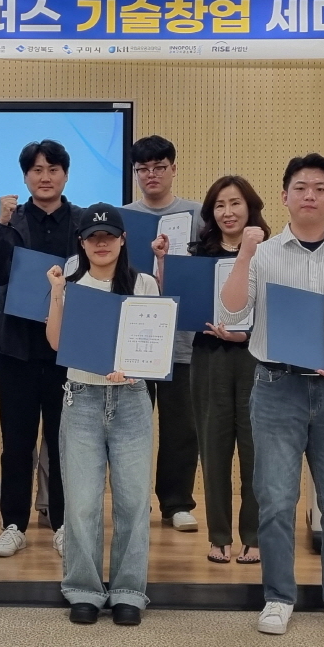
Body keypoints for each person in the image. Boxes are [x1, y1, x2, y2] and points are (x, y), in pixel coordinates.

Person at [219, 153, 324, 639]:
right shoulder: (262, 254)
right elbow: (231, 312)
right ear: (285, 196)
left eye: (320, 188)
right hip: (277, 387)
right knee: (274, 499)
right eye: (301, 188)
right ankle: (278, 596)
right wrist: (245, 253)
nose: (310, 195)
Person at [46, 203, 158, 626]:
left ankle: (129, 590)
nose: (102, 243)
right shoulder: (72, 284)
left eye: (109, 236)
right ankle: (84, 590)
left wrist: (134, 365)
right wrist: (57, 292)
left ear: (123, 240)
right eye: (93, 237)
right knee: (81, 503)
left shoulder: (143, 284)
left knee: (133, 501)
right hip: (82, 398)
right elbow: (56, 342)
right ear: (82, 243)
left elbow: (153, 340)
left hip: (131, 398)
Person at [0, 140, 81, 559]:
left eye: (53, 169)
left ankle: (64, 524)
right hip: (17, 348)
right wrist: (1, 225)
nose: (45, 177)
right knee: (17, 443)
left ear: (65, 175)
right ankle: (13, 524)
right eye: (36, 170)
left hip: (66, 351)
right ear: (25, 177)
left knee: (65, 443)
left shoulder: (82, 221)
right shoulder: (11, 220)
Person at [156, 176, 268, 565]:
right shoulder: (197, 254)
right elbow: (176, 301)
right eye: (219, 205)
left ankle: (253, 535)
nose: (228, 212)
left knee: (255, 450)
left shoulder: (268, 253)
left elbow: (275, 310)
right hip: (207, 356)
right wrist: (162, 262)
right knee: (214, 448)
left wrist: (245, 333)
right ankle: (219, 535)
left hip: (254, 356)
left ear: (250, 208)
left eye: (235, 203)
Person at [124, 135, 204, 533]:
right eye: (143, 169)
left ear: (173, 168)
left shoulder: (198, 214)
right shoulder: (121, 217)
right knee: (132, 426)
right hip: (136, 339)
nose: (151, 175)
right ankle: (133, 501)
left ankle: (177, 503)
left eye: (159, 167)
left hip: (183, 339)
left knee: (181, 427)